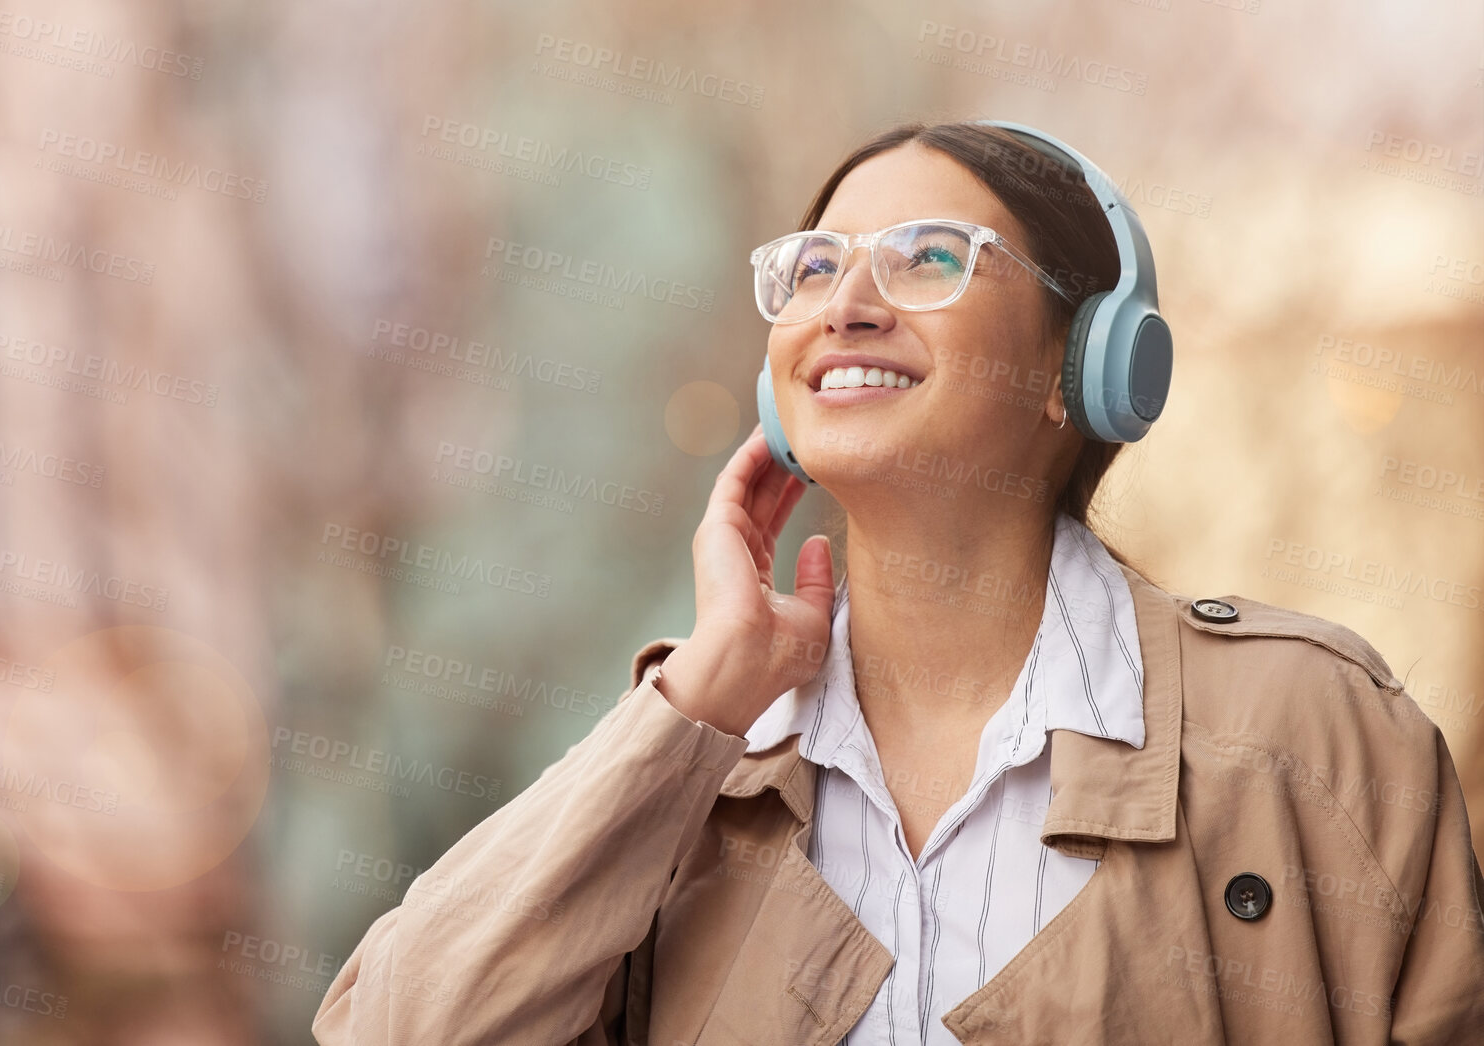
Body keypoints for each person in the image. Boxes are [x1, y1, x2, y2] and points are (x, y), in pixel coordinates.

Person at [311, 120, 1484, 1045]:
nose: (845, 302)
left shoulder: (1309, 739)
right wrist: (697, 699)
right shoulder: (696, 775)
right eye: (815, 266)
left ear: (1079, 364)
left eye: (929, 257)